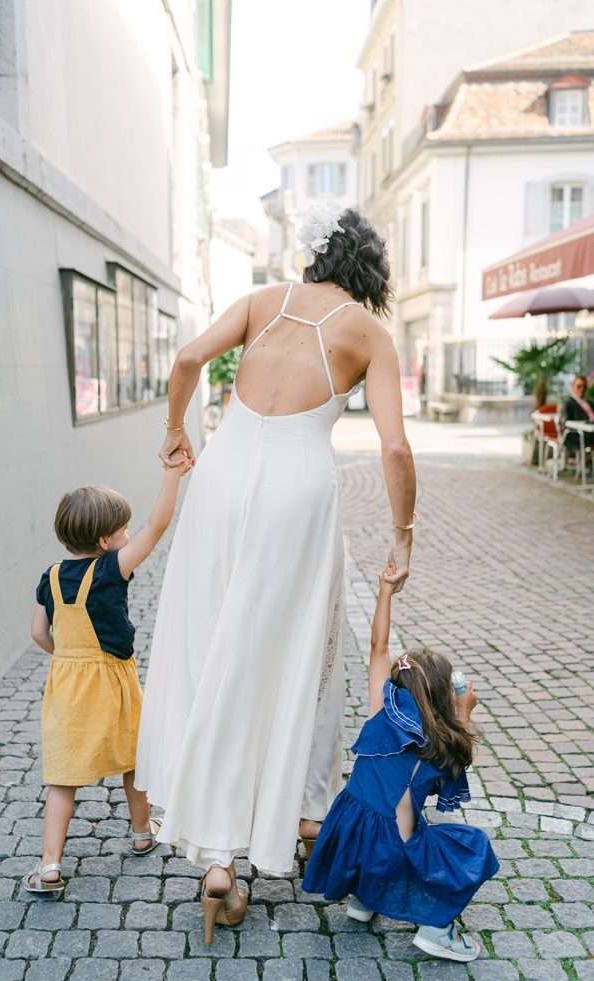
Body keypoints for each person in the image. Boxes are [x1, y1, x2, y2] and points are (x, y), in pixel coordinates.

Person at [135, 202, 417, 943]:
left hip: (222, 477)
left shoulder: (262, 302)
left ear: (310, 257)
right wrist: (403, 533)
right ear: (369, 271)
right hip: (298, 492)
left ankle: (215, 856)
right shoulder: (369, 332)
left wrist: (173, 431)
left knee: (211, 642)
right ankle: (265, 824)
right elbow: (393, 450)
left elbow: (189, 359)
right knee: (281, 657)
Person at [302, 562, 499, 962]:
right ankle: (436, 930)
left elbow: (377, 648)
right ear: (443, 698)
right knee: (471, 846)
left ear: (398, 684)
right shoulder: (442, 743)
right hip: (393, 841)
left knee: (388, 822)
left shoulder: (381, 711)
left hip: (349, 831)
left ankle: (363, 899)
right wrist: (465, 711)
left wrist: (386, 591)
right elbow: (461, 755)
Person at [25, 465, 191, 894]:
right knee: (133, 759)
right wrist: (173, 475)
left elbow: (39, 634)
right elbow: (158, 525)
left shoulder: (50, 576)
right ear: (105, 542)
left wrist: (67, 659)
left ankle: (49, 865)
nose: (129, 534)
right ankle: (140, 832)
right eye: (123, 530)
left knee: (62, 777)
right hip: (112, 680)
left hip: (67, 682)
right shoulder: (111, 569)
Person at [561, 374, 594, 455]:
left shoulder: (590, 402)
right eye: (579, 386)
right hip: (578, 434)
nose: (582, 389)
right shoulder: (568, 403)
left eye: (584, 387)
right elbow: (565, 423)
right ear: (572, 387)